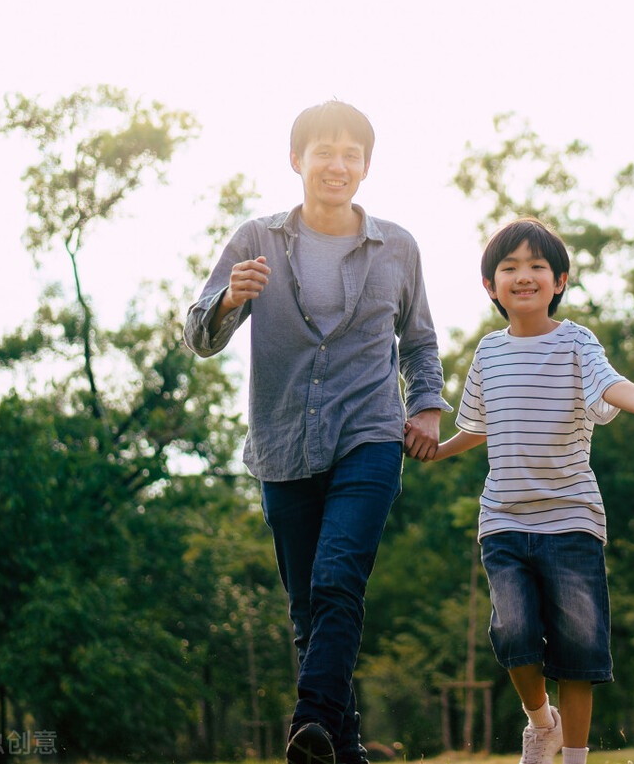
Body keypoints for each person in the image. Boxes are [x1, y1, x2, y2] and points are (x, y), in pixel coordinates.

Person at [184, 100, 450, 764]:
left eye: (350, 153)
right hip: (283, 444)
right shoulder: (256, 240)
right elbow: (197, 334)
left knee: (337, 579)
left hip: (370, 434)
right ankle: (342, 746)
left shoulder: (397, 246)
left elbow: (419, 341)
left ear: (364, 166)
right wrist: (227, 301)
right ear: (297, 158)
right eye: (323, 150)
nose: (337, 163)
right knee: (308, 607)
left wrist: (426, 407)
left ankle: (308, 721)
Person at [427, 219, 634, 764]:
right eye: (510, 267)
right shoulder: (488, 354)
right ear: (491, 286)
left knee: (579, 648)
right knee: (513, 634)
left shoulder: (576, 341)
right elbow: (478, 426)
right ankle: (542, 724)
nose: (524, 275)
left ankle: (575, 758)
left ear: (559, 280)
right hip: (504, 520)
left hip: (572, 519)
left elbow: (609, 384)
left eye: (537, 266)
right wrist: (436, 451)